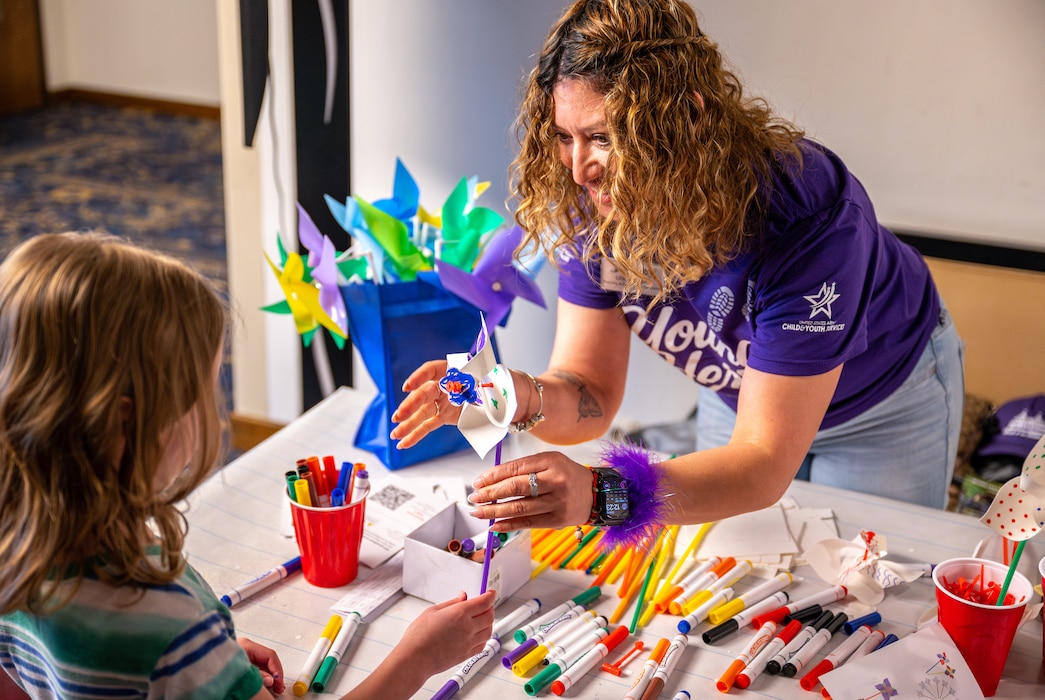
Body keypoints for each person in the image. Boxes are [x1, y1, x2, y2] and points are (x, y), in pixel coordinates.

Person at [390, 0, 964, 532]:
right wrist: (513, 397)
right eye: (565, 137)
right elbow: (588, 390)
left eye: (603, 137)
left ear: (684, 120)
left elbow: (761, 464)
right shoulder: (595, 203)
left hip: (883, 403)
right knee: (736, 571)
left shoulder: (807, 219)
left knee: (872, 585)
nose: (578, 169)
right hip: (739, 390)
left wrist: (598, 497)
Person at [0, 232, 495, 699]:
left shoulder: (16, 556)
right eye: (200, 391)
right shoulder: (166, 625)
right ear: (128, 426)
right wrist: (418, 658)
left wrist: (214, 668)